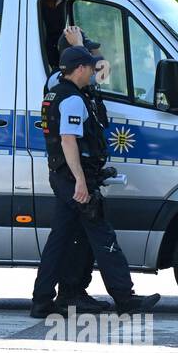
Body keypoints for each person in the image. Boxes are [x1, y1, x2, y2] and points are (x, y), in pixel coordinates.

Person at [31, 45, 160, 318]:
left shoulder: (55, 93)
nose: (93, 73)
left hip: (62, 176)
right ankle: (126, 299)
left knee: (61, 239)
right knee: (103, 237)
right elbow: (68, 140)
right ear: (79, 69)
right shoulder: (73, 100)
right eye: (90, 68)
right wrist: (80, 181)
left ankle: (42, 301)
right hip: (74, 178)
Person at [42, 26, 111, 313]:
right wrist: (79, 48)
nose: (96, 64)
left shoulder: (74, 83)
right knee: (82, 232)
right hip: (71, 170)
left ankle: (62, 294)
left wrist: (82, 49)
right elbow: (69, 137)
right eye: (88, 60)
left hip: (74, 170)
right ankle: (60, 294)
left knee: (69, 235)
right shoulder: (61, 84)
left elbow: (103, 75)